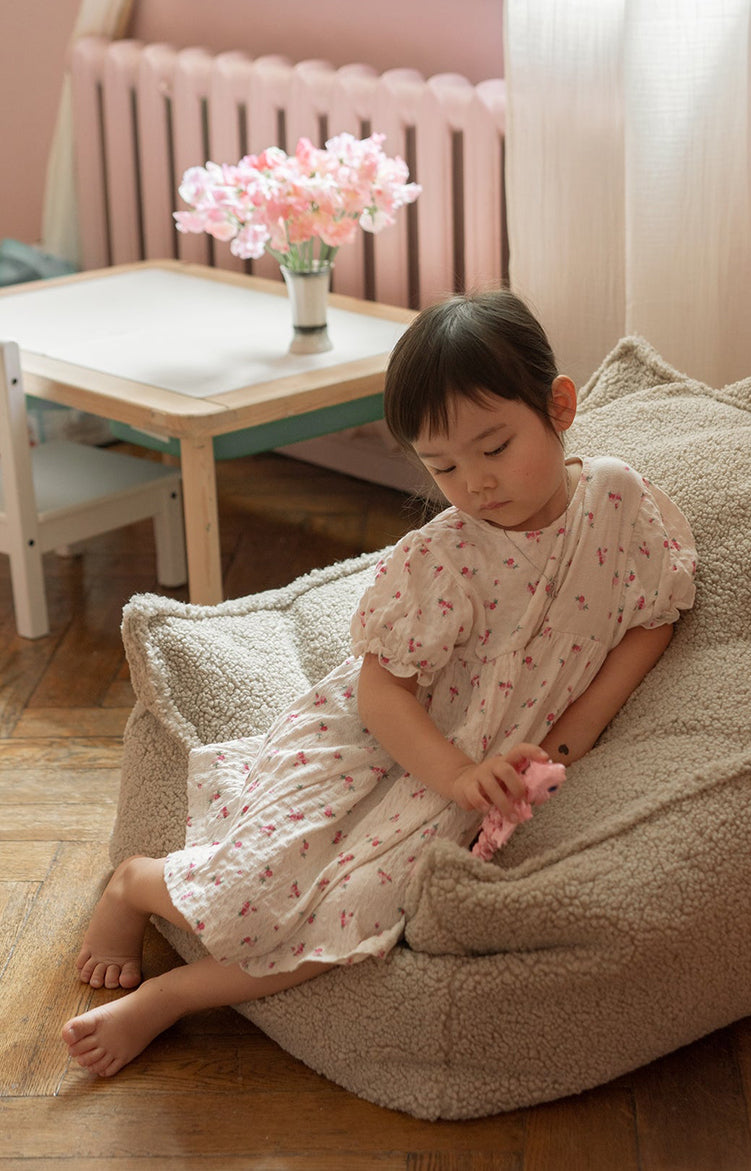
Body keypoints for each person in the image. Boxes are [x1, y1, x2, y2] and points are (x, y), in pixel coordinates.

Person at [62, 289, 697, 1077]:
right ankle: (137, 885)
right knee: (258, 885)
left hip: (484, 765)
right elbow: (380, 695)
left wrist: (573, 737)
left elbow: (650, 616)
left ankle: (170, 997)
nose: (475, 483)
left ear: (559, 407)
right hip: (384, 741)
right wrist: (457, 773)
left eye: (495, 447)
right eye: (443, 465)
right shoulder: (442, 559)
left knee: (358, 915)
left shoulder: (617, 502)